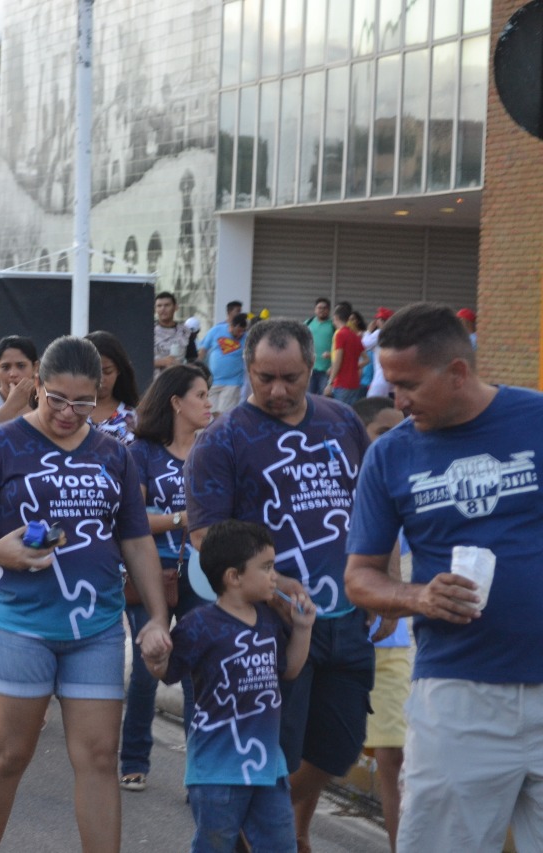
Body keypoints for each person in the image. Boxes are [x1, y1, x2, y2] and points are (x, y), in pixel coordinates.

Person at [0, 335, 172, 853]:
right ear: (35, 388)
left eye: (84, 402)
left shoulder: (114, 453)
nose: (69, 413)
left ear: (100, 393)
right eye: (57, 399)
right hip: (18, 625)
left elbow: (135, 539)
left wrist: (157, 617)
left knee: (97, 757)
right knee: (6, 756)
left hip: (95, 628)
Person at [344, 302, 543, 851]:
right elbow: (359, 578)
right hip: (458, 695)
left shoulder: (537, 420)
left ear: (457, 372)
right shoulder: (389, 455)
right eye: (389, 382)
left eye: (407, 384)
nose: (395, 399)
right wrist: (418, 596)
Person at [185, 318, 372, 851]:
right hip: (268, 627)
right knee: (269, 756)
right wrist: (272, 584)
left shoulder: (342, 422)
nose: (278, 390)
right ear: (247, 369)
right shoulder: (223, 439)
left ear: (312, 368)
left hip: (346, 618)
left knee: (338, 747)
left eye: (291, 377)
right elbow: (205, 533)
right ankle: (274, 836)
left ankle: (289, 827)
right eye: (265, 377)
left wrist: (386, 578)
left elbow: (370, 508)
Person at [144, 520, 314, 853]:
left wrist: (303, 629)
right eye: (266, 568)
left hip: (268, 768)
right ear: (233, 577)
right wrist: (156, 657)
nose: (274, 576)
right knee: (215, 845)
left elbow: (289, 671)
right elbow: (166, 672)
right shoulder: (198, 625)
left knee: (281, 845)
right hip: (216, 771)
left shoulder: (269, 621)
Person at [120, 364, 213, 793]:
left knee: (197, 668)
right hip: (150, 571)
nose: (209, 402)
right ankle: (134, 757)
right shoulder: (142, 452)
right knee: (147, 665)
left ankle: (200, 774)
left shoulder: (213, 449)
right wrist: (181, 517)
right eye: (201, 395)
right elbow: (132, 521)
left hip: (202, 574)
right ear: (177, 402)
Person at [350, 396, 408, 852]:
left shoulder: (414, 482)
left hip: (401, 644)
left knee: (396, 757)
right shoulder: (336, 488)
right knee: (313, 755)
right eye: (383, 433)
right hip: (342, 639)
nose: (397, 440)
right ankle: (295, 834)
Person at [84, 330, 140, 445]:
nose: (101, 379)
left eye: (107, 371)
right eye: (94, 372)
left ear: (119, 370)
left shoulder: (134, 418)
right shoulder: (67, 412)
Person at [0, 336, 39, 424]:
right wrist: (11, 406)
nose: (13, 374)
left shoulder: (45, 403)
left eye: (21, 366)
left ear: (35, 368)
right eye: (5, 367)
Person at [199, 313, 248, 416]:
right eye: (238, 331)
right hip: (213, 381)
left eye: (242, 331)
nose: (240, 334)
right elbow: (203, 349)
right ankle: (215, 431)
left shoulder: (245, 338)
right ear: (231, 326)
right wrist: (198, 366)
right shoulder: (216, 330)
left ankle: (223, 431)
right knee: (210, 412)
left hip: (232, 382)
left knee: (225, 414)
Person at [325, 302, 365, 405]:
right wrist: (354, 366)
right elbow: (366, 359)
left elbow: (338, 360)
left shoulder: (340, 334)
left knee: (339, 414)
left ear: (336, 317)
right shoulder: (355, 336)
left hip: (342, 382)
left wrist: (330, 382)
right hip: (354, 382)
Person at [153, 291, 190, 379]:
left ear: (175, 307)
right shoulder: (147, 331)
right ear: (155, 309)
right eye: (159, 306)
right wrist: (162, 362)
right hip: (152, 383)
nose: (163, 309)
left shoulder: (185, 332)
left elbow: (192, 359)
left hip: (177, 381)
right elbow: (138, 359)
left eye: (167, 305)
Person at [362, 308, 395, 399]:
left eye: (379, 319)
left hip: (381, 377)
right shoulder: (397, 334)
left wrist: (368, 332)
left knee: (371, 405)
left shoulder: (379, 333)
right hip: (394, 378)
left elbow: (363, 344)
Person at [307, 298, 334, 395]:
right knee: (308, 397)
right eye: (319, 308)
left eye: (324, 308)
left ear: (329, 310)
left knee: (324, 399)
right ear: (315, 309)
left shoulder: (333, 325)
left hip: (326, 370)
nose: (322, 310)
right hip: (310, 368)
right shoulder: (308, 323)